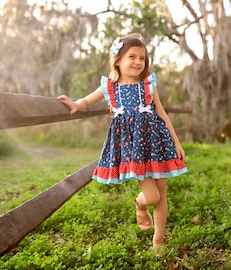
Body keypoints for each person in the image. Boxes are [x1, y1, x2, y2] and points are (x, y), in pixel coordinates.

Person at [58, 34, 187, 252]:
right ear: (117, 60)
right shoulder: (110, 87)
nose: (138, 62)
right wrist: (76, 104)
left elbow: (162, 114)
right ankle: (140, 203)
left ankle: (159, 240)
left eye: (142, 58)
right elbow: (86, 100)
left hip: (158, 143)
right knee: (152, 196)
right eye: (132, 57)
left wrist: (176, 142)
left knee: (161, 194)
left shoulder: (148, 85)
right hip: (134, 149)